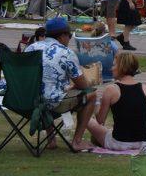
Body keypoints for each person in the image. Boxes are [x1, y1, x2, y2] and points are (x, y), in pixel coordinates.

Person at [23, 18, 97, 152]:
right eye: (69, 36)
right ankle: (77, 141)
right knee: (91, 94)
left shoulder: (31, 48)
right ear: (62, 36)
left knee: (45, 90)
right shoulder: (66, 53)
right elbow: (83, 86)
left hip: (24, 99)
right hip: (50, 103)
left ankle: (51, 139)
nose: (69, 39)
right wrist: (76, 85)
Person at [86, 51, 146, 151]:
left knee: (86, 119)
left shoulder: (111, 89)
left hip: (119, 143)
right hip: (143, 143)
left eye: (114, 65)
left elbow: (100, 120)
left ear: (122, 67)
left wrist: (96, 103)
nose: (111, 68)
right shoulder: (145, 88)